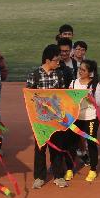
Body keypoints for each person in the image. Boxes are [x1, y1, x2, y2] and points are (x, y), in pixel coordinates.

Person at [26, 45, 71, 189]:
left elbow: (63, 94)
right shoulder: (34, 75)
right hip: (39, 118)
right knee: (40, 148)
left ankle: (58, 175)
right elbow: (29, 97)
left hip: (56, 117)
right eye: (56, 60)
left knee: (57, 147)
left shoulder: (59, 74)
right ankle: (39, 177)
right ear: (47, 60)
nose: (58, 63)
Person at [70, 59, 100, 182]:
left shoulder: (95, 85)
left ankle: (93, 169)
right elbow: (68, 98)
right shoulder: (74, 83)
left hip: (90, 117)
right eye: (80, 69)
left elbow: (98, 103)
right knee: (73, 142)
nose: (80, 71)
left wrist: (90, 98)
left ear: (90, 72)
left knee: (91, 142)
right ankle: (69, 168)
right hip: (76, 117)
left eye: (83, 70)